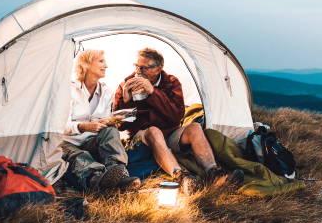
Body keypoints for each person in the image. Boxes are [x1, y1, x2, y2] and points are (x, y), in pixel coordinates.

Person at [114, 47, 243, 195]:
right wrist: (125, 100)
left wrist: (153, 92)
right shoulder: (126, 84)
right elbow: (120, 126)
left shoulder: (171, 83)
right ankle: (181, 177)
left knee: (194, 127)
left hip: (169, 135)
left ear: (158, 69)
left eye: (144, 67)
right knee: (154, 131)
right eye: (137, 66)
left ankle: (214, 173)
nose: (139, 71)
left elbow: (176, 116)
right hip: (140, 139)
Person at [63, 49, 141, 193]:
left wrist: (110, 122)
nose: (106, 65)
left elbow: (105, 123)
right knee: (78, 155)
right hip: (67, 142)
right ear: (86, 64)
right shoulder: (69, 90)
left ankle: (119, 173)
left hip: (91, 141)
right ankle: (96, 179)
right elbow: (60, 126)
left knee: (111, 131)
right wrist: (83, 127)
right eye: (101, 61)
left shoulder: (107, 93)